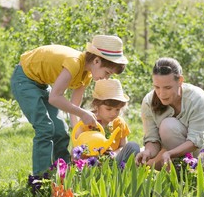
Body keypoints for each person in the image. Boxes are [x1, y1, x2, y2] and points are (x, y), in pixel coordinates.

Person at [10, 35, 128, 181]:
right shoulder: (74, 63)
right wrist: (83, 114)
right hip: (25, 79)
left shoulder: (86, 76)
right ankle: (41, 180)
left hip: (41, 83)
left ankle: (64, 175)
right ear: (96, 61)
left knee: (60, 129)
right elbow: (55, 97)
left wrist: (78, 137)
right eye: (107, 73)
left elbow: (74, 106)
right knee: (45, 127)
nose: (106, 78)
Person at [135, 57, 204, 170]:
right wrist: (148, 152)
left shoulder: (197, 99)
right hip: (167, 151)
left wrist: (171, 153)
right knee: (139, 158)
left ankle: (184, 172)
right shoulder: (149, 102)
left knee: (168, 126)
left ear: (180, 81)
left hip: (201, 152)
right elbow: (153, 139)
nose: (162, 94)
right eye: (157, 87)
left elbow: (195, 141)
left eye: (167, 87)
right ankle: (175, 173)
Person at [73, 79, 140, 166]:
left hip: (113, 161)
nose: (114, 113)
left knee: (133, 146)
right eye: (109, 109)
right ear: (96, 105)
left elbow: (123, 146)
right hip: (90, 162)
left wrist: (113, 154)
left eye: (117, 109)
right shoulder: (86, 121)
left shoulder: (119, 123)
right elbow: (76, 147)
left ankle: (120, 175)